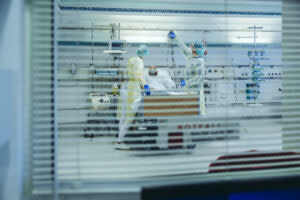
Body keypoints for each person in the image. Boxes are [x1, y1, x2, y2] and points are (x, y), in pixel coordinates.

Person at [116, 45, 150, 147]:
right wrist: (145, 85)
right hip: (132, 89)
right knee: (129, 117)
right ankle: (119, 141)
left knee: (123, 116)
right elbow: (139, 75)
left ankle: (119, 138)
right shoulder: (139, 61)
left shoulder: (132, 60)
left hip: (126, 88)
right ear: (144, 54)